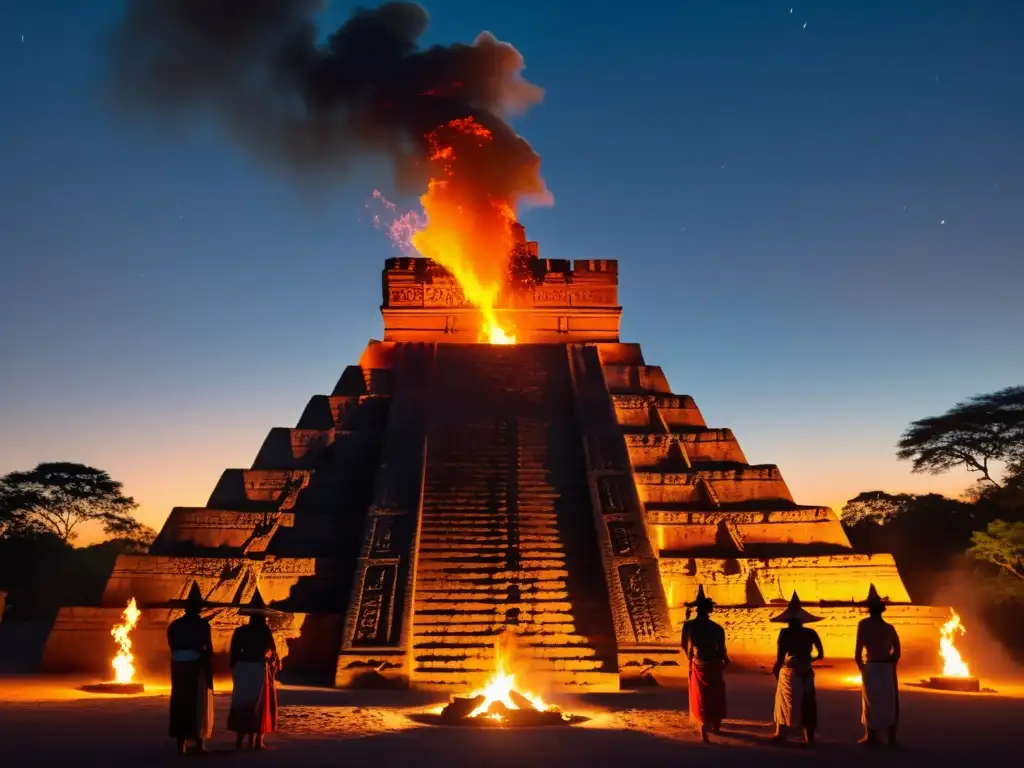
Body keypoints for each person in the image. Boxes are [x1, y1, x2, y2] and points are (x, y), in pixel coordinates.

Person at [227, 588, 281, 750]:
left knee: (241, 703)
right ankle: (256, 741)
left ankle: (239, 740)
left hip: (243, 669)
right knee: (260, 704)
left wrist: (236, 669)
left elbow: (234, 653)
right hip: (258, 669)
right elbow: (271, 652)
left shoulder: (240, 631)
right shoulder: (264, 631)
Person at [167, 581, 215, 755]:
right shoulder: (203, 626)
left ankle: (181, 742)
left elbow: (172, 646)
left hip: (179, 666)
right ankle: (199, 740)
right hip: (196, 667)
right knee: (198, 702)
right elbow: (208, 649)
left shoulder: (175, 625)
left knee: (180, 701)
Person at [770, 592, 824, 745]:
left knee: (783, 701)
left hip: (790, 671)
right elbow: (820, 654)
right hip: (806, 670)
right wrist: (808, 660)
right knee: (808, 702)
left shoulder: (785, 633)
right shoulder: (811, 632)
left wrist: (777, 669)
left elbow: (780, 657)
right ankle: (810, 738)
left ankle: (781, 734)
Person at [681, 585, 729, 742]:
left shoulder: (688, 626)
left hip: (699, 662)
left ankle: (703, 724)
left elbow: (684, 645)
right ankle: (716, 723)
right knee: (716, 693)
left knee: (701, 696)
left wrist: (690, 658)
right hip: (714, 663)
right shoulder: (717, 628)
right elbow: (722, 651)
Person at [855, 584, 901, 747]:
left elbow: (858, 649)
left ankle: (871, 735)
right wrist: (892, 664)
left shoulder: (863, 625)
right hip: (886, 667)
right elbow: (897, 651)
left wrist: (861, 666)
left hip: (872, 666)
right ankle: (891, 738)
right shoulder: (889, 628)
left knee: (870, 701)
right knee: (889, 702)